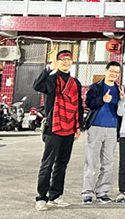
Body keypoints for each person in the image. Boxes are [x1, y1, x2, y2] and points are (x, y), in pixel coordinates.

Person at [33, 50, 83, 211]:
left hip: (69, 127)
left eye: (69, 59)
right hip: (53, 126)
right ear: (57, 62)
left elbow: (78, 106)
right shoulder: (51, 79)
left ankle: (55, 196)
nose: (66, 62)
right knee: (47, 163)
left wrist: (78, 126)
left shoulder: (75, 83)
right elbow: (37, 86)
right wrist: (48, 69)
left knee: (62, 163)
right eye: (63, 60)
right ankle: (41, 197)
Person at [81, 61, 122, 205]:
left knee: (108, 162)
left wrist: (122, 99)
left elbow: (122, 111)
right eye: (112, 71)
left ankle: (102, 192)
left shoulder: (119, 90)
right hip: (96, 127)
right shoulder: (95, 87)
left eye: (117, 72)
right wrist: (102, 100)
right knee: (91, 162)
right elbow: (89, 104)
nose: (114, 74)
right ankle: (87, 193)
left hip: (112, 129)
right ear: (106, 70)